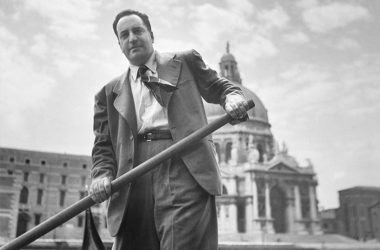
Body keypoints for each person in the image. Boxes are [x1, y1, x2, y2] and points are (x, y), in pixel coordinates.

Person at [89, 9, 249, 250]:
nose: (131, 38)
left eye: (137, 30)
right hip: (132, 175)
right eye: (124, 35)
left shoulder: (185, 61)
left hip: (185, 163)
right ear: (119, 44)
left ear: (151, 35)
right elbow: (103, 145)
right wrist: (101, 174)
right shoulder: (107, 93)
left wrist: (232, 98)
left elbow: (221, 87)